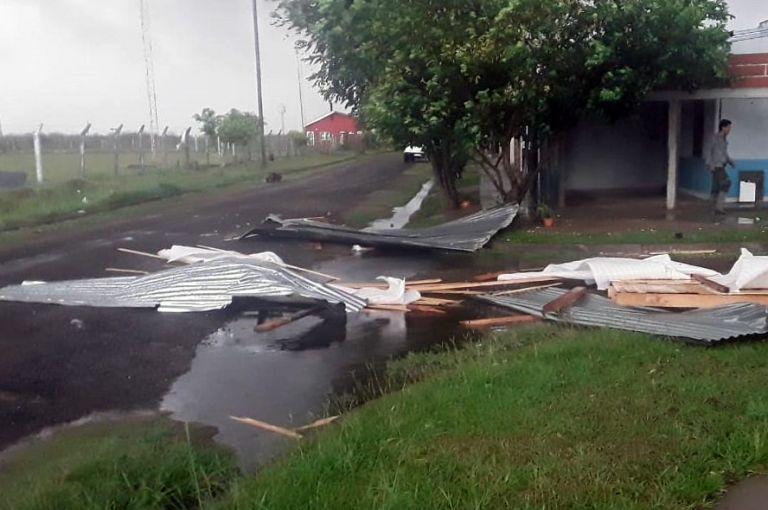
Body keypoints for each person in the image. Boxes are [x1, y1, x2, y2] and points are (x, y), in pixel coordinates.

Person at [708, 119, 735, 215]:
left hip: (721, 165)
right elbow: (711, 152)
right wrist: (712, 165)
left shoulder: (724, 140)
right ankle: (719, 207)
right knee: (726, 182)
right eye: (728, 127)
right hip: (717, 166)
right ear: (723, 127)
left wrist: (730, 162)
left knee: (716, 187)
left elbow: (724, 154)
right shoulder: (716, 138)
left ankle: (713, 208)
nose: (729, 130)